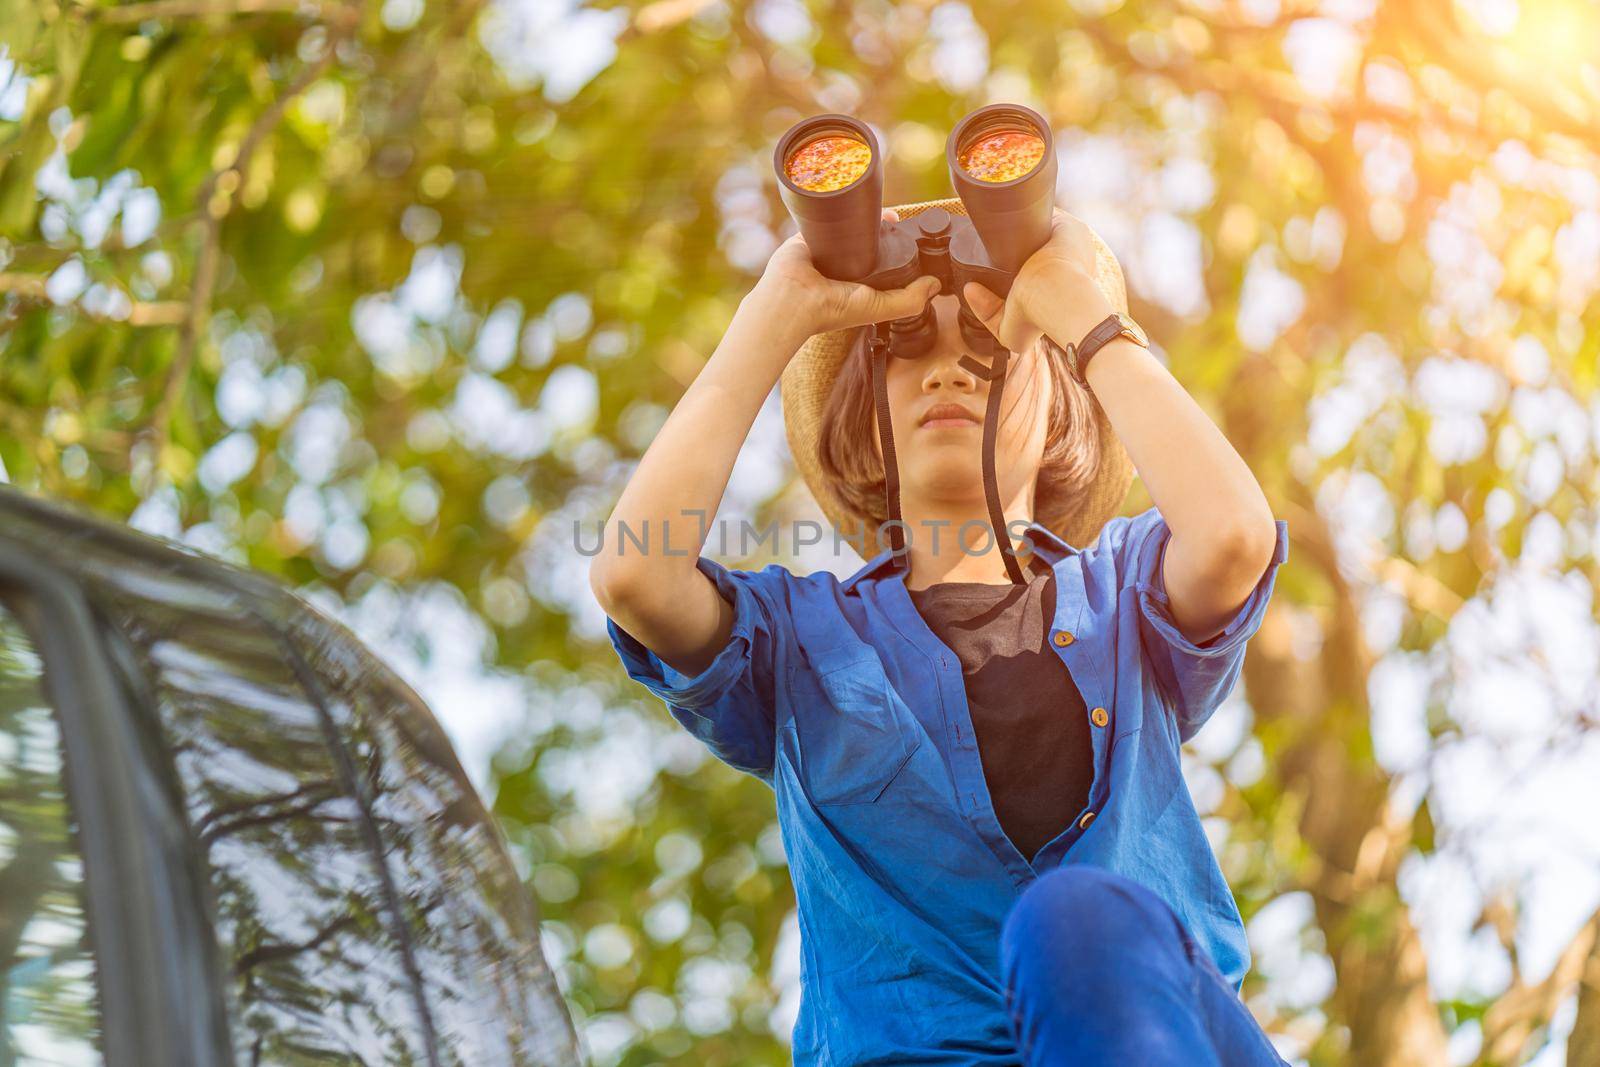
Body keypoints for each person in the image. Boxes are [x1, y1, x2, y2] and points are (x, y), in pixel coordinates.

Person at [589, 195, 1292, 1066]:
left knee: (1076, 921)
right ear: (867, 425)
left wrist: (1080, 312)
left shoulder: (1125, 594)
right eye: (908, 349)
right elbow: (634, 574)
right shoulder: (799, 642)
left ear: (1062, 415)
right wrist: (774, 318)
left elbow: (1232, 536)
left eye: (991, 354)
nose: (950, 373)